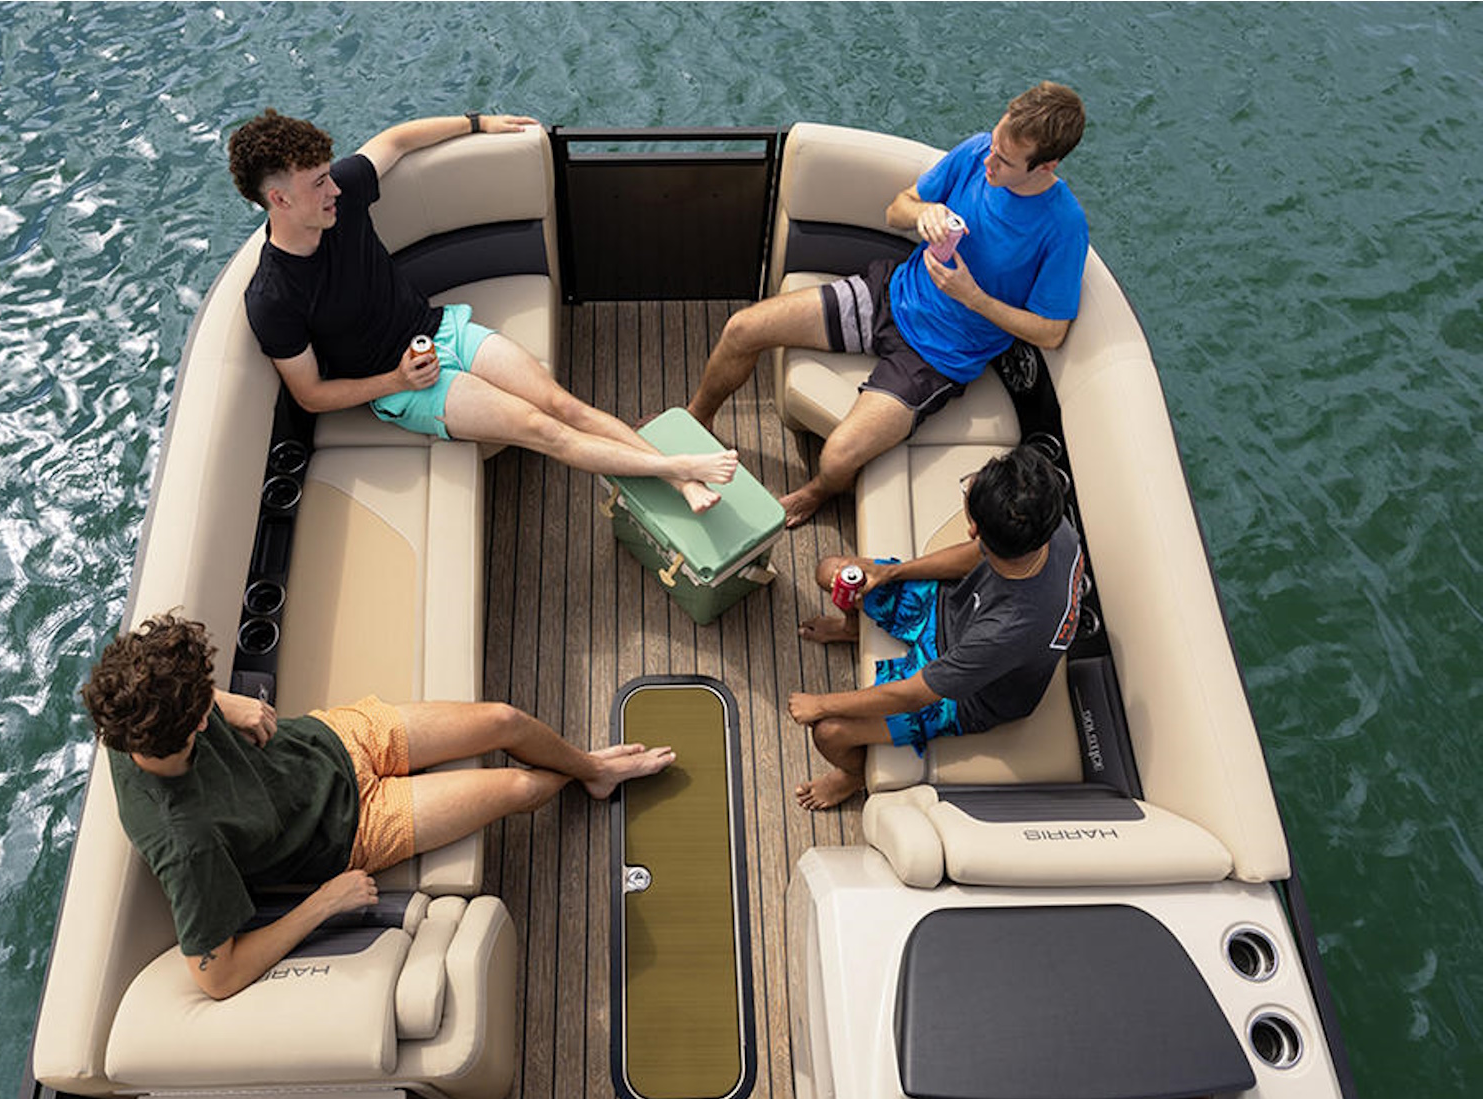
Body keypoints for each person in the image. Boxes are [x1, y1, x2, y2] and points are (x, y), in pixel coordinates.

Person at [82, 612, 676, 999]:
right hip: (354, 827)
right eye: (203, 704)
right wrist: (322, 904)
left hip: (334, 739)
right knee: (519, 790)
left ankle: (593, 770)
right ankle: (587, 775)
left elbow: (169, 685)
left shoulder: (129, 717)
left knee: (503, 719)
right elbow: (218, 975)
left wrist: (226, 700)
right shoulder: (185, 842)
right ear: (192, 724)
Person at [228, 109, 736, 513]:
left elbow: (396, 140)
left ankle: (680, 478)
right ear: (279, 199)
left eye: (329, 176)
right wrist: (397, 381)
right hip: (404, 386)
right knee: (542, 429)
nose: (335, 188)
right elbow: (311, 395)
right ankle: (679, 467)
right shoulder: (273, 297)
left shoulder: (344, 196)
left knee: (563, 405)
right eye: (319, 183)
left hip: (439, 328)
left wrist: (479, 123)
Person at [686, 82, 1088, 527]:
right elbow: (897, 209)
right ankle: (694, 421)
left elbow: (1052, 331)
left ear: (1046, 165)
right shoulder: (976, 152)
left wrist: (973, 299)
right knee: (742, 329)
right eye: (993, 146)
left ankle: (817, 493)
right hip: (889, 295)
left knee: (837, 457)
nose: (988, 162)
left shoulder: (1063, 226)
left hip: (936, 358)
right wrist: (922, 213)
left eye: (1005, 161)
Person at [786, 445, 1084, 810]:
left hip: (970, 696)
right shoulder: (1045, 524)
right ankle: (852, 630)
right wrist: (890, 572)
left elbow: (915, 694)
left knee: (829, 732)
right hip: (952, 608)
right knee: (835, 572)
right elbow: (974, 556)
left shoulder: (1009, 629)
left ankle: (852, 776)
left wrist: (820, 704)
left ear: (974, 528)